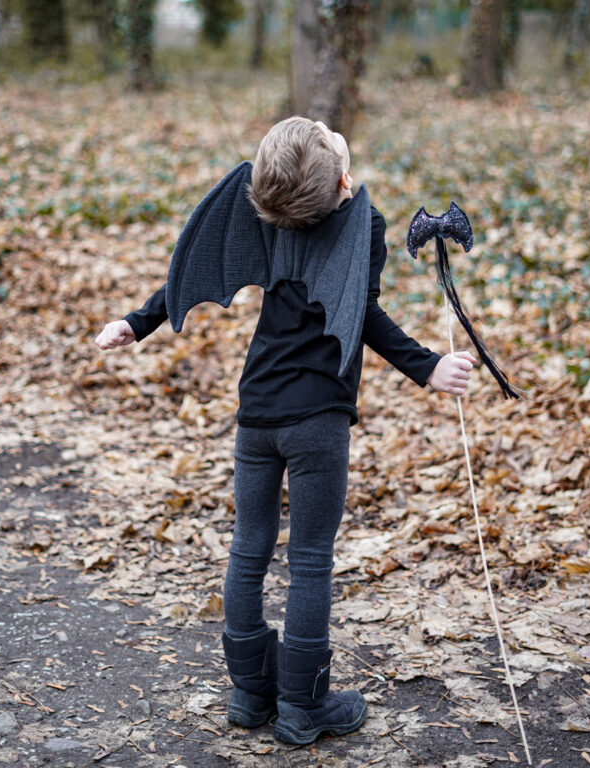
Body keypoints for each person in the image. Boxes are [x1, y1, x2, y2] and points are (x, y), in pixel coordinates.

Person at [95, 116, 476, 746]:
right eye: (327, 137)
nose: (328, 126)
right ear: (343, 183)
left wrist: (138, 322)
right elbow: (367, 314)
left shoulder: (264, 214)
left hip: (257, 413)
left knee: (249, 549)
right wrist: (428, 367)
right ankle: (302, 704)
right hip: (318, 422)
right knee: (310, 561)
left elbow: (183, 278)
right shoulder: (359, 223)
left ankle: (249, 694)